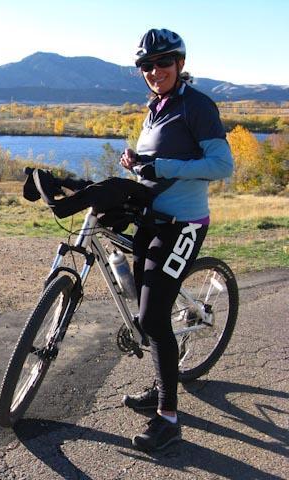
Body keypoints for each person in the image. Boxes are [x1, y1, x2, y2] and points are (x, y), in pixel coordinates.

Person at [118, 28, 234, 451]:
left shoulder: (196, 105)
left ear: (180, 65)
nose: (154, 71)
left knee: (152, 319)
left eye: (163, 62)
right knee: (151, 311)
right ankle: (160, 384)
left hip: (183, 223)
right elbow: (155, 163)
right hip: (152, 219)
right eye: (146, 65)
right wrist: (136, 163)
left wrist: (161, 166)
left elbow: (221, 165)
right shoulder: (156, 107)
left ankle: (169, 419)